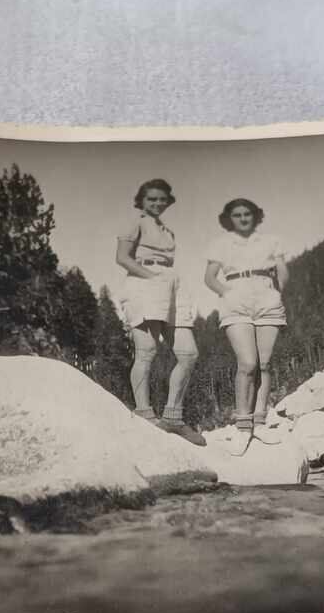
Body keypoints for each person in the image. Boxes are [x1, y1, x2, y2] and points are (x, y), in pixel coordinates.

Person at [116, 178, 205, 446]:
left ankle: (173, 417)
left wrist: (165, 280)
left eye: (162, 199)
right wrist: (150, 276)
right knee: (147, 351)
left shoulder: (167, 230)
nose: (157, 203)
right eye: (151, 198)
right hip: (145, 282)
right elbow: (122, 257)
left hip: (172, 285)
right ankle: (144, 413)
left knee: (188, 354)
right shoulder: (135, 220)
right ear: (141, 200)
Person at [204, 197, 288, 455]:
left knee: (264, 364)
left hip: (266, 297)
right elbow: (209, 277)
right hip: (236, 297)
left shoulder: (271, 241)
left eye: (247, 214)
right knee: (247, 364)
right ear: (230, 218)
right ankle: (243, 427)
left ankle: (260, 422)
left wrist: (276, 294)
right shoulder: (221, 243)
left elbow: (282, 271)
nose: (243, 218)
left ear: (255, 215)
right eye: (237, 215)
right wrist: (227, 294)